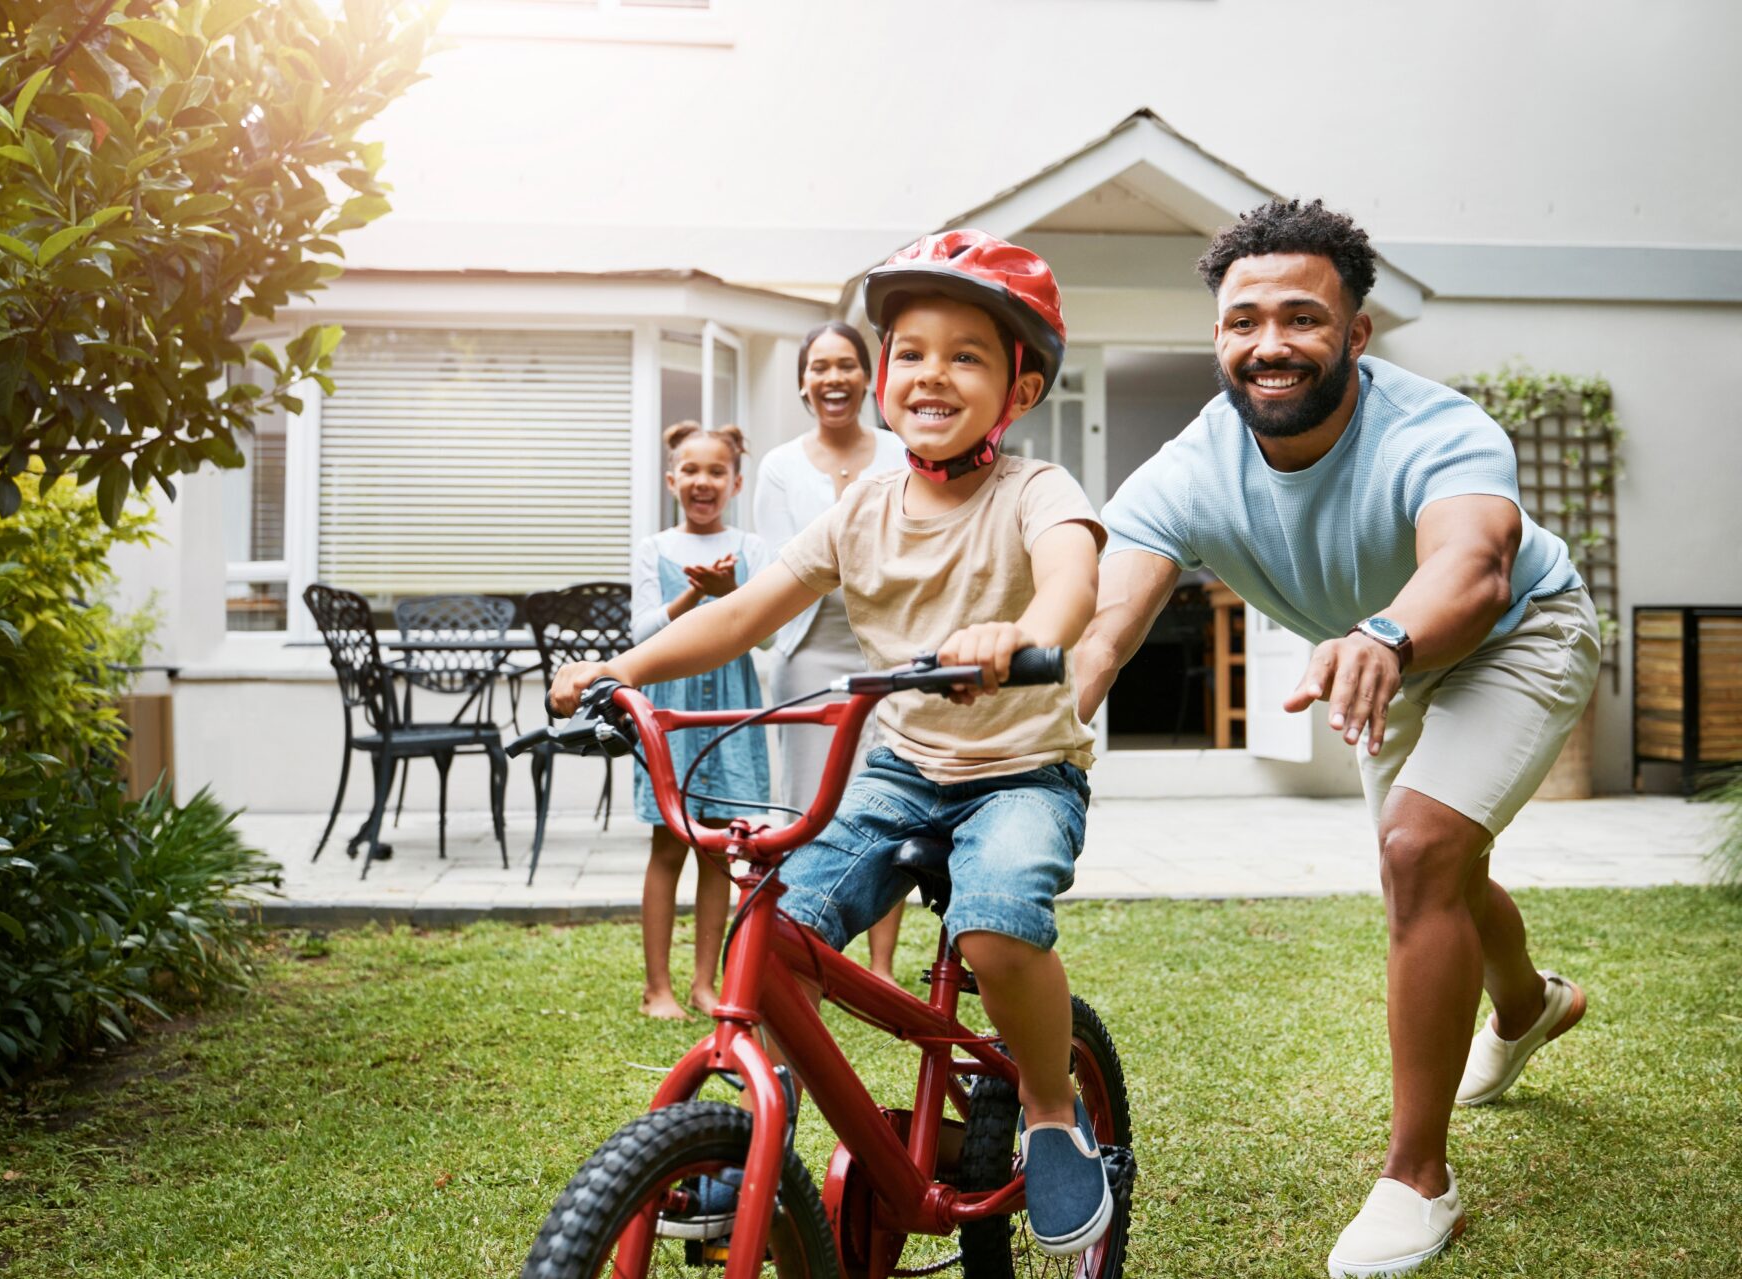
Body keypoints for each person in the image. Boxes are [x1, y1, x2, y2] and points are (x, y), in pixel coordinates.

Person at [554, 230, 1115, 1256]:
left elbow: (1074, 580)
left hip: (1021, 771)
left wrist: (1025, 636)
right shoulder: (862, 510)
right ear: (884, 372)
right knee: (778, 933)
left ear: (1020, 389)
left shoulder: (1035, 491)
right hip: (902, 771)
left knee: (993, 924)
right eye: (910, 349)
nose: (930, 372)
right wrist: (622, 669)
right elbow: (743, 615)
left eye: (967, 354)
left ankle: (1045, 1104)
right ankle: (744, 1152)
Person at [1072, 199, 1599, 1278]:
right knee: (1437, 868)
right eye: (1243, 321)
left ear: (1357, 333)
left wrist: (1387, 634)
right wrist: (1046, 713)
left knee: (1418, 853)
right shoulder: (1190, 468)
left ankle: (1420, 1179)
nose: (1270, 344)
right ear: (1218, 334)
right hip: (1382, 655)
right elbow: (1106, 624)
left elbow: (1475, 565)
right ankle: (1528, 1002)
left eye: (1304, 319)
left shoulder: (1436, 428)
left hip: (1512, 634)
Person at [754, 322, 908, 981]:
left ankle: (878, 965)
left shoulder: (903, 453)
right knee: (806, 807)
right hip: (808, 651)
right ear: (803, 382)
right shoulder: (780, 466)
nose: (833, 378)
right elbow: (780, 566)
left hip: (891, 654)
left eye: (846, 364)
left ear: (867, 378)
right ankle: (805, 948)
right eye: (820, 366)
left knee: (888, 797)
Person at [629, 422, 772, 1020]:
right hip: (674, 713)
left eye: (716, 471)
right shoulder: (654, 549)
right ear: (671, 481)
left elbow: (766, 635)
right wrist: (694, 596)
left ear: (735, 482)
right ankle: (656, 987)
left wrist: (733, 590)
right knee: (669, 846)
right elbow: (638, 635)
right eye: (690, 470)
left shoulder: (754, 549)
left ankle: (704, 984)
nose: (702, 481)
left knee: (722, 851)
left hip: (730, 714)